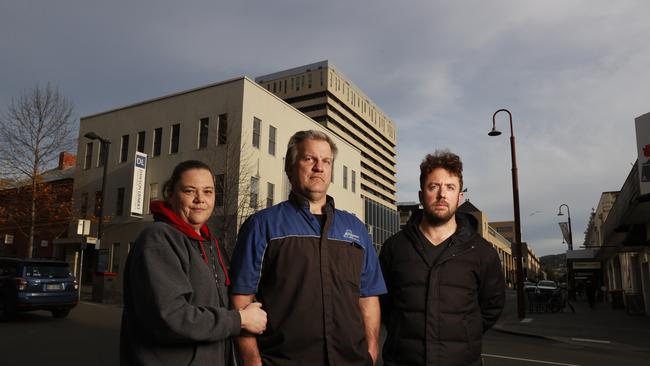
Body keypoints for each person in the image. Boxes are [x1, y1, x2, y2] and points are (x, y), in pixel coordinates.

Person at [230, 130, 386, 366]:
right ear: (290, 167)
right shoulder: (262, 225)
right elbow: (241, 299)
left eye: (326, 161)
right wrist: (252, 362)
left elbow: (368, 297)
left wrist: (372, 353)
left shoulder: (356, 228)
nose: (319, 167)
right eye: (309, 159)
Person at [120, 160, 267, 366]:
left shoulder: (210, 242)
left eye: (208, 192)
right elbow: (171, 317)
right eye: (189, 191)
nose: (200, 199)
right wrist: (240, 320)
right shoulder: (158, 239)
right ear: (170, 194)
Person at [379, 150, 505, 366]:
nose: (442, 195)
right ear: (421, 195)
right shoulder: (395, 247)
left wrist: (465, 332)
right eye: (433, 186)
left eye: (450, 187)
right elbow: (383, 304)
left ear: (460, 197)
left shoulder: (481, 251)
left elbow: (491, 306)